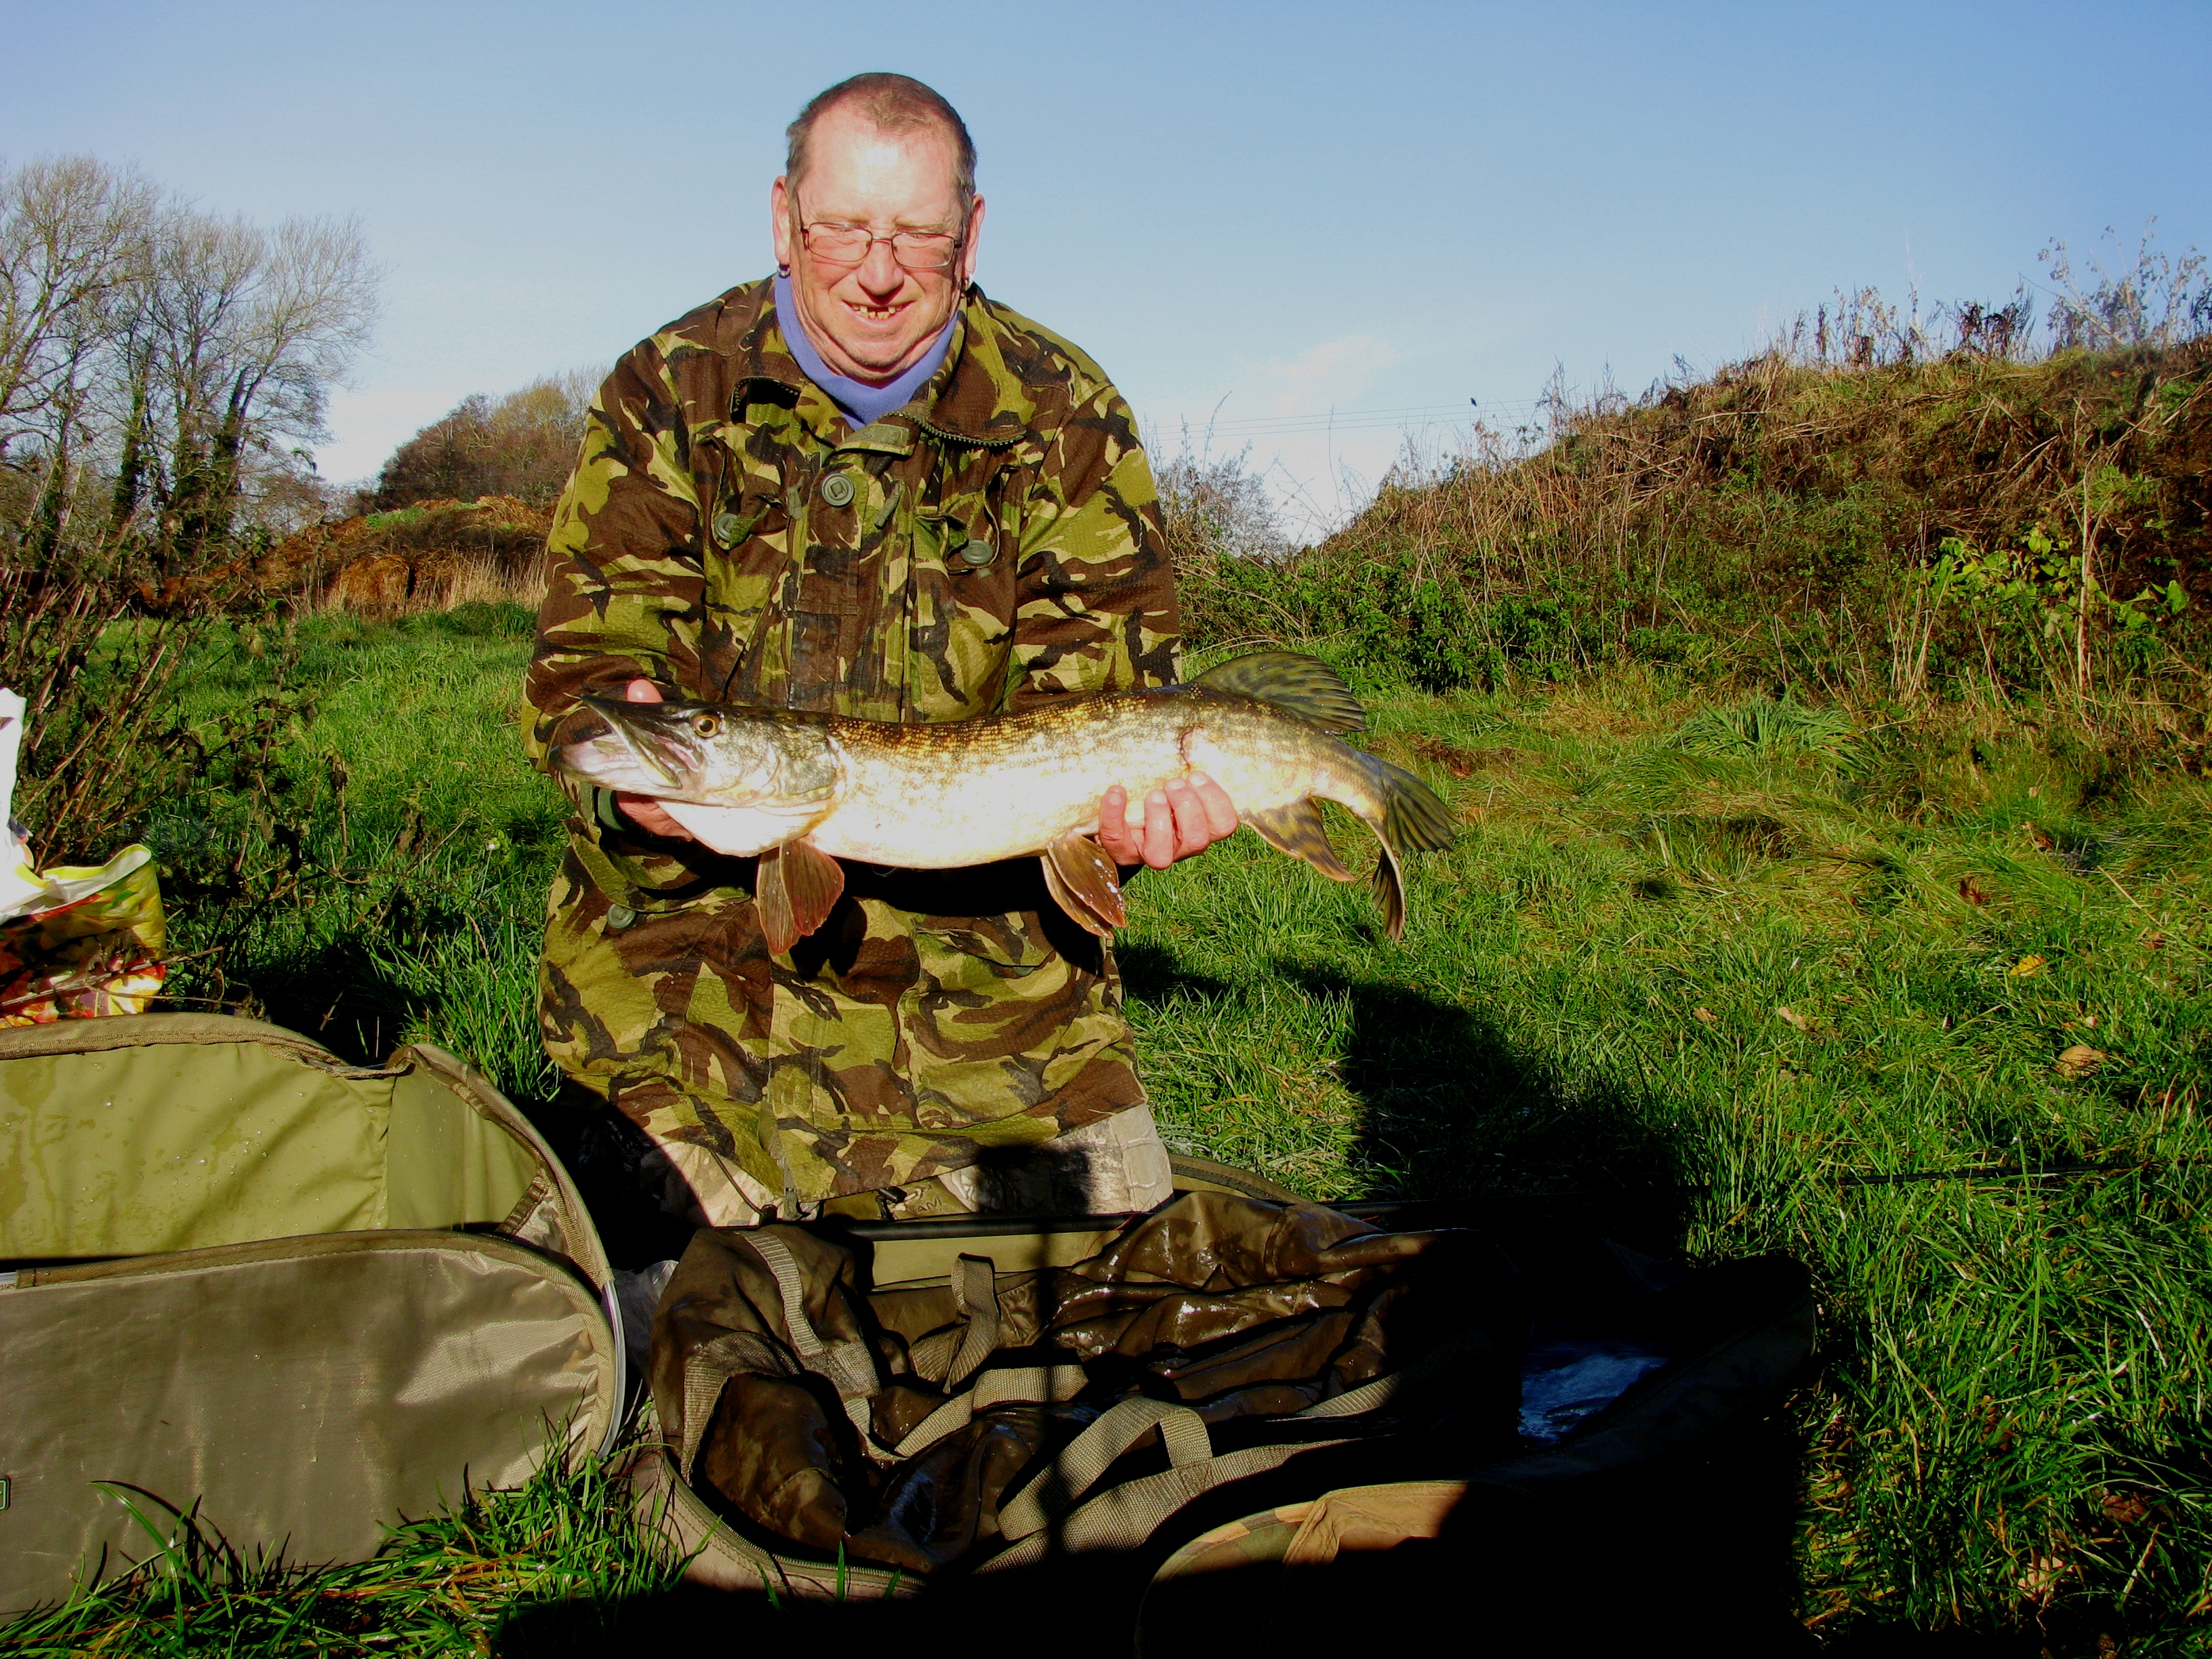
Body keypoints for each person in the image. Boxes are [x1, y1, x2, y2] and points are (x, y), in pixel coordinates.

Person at [525, 73, 1235, 1229]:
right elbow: (584, 675)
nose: (877, 269)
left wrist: (1136, 827)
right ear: (781, 217)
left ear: (971, 234)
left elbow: (1100, 700)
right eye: (843, 226)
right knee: (649, 1313)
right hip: (689, 977)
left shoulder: (1067, 416)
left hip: (992, 1007)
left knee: (1083, 1302)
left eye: (916, 233)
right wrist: (629, 722)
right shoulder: (667, 390)